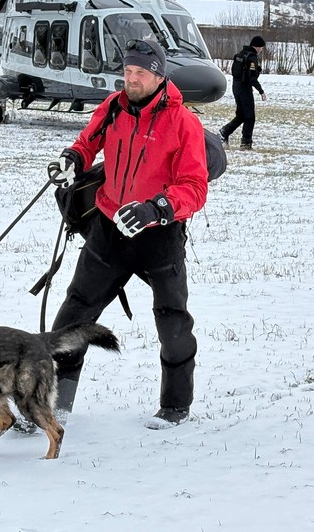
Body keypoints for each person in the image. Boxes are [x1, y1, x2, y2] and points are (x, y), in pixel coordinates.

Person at [46, 40, 209, 427]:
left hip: (159, 234)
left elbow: (195, 187)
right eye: (128, 72)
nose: (131, 80)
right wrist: (73, 159)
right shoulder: (114, 107)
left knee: (172, 320)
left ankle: (175, 405)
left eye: (140, 73)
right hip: (109, 227)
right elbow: (88, 142)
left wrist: (156, 208)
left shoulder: (184, 122)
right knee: (73, 315)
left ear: (159, 75)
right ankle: (56, 404)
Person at [220, 35, 267, 150]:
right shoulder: (252, 58)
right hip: (244, 89)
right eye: (261, 48)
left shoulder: (241, 54)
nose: (261, 50)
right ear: (257, 47)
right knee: (250, 117)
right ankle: (246, 143)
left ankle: (224, 132)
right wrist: (261, 91)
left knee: (241, 115)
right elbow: (252, 78)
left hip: (236, 87)